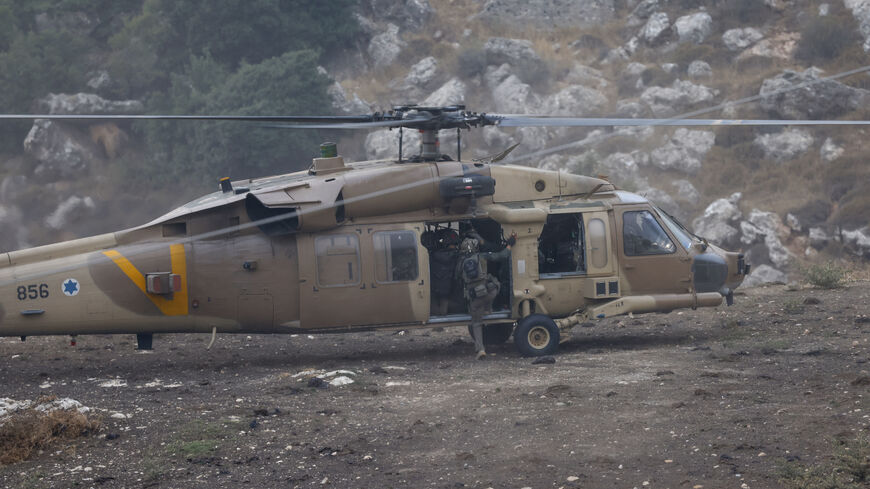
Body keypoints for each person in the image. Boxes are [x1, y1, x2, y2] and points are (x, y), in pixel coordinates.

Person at [457, 232, 515, 359]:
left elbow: (458, 278)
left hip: (475, 299)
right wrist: (510, 244)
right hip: (489, 294)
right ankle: (489, 309)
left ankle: (480, 350)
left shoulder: (461, 263)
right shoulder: (482, 257)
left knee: (476, 323)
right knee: (495, 283)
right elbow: (503, 255)